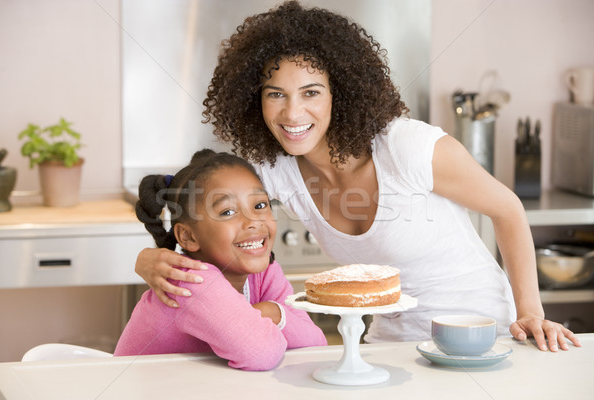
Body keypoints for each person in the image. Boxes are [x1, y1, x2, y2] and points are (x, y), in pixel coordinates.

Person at [135, 1, 580, 351]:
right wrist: (149, 257)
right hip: (389, 341)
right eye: (276, 95)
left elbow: (508, 209)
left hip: (481, 331)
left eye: (311, 92)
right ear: (256, 101)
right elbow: (198, 192)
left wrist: (530, 311)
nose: (292, 113)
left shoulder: (406, 147)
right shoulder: (277, 169)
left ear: (339, 94)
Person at [115, 149, 327, 371]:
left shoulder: (264, 273)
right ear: (188, 236)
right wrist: (269, 320)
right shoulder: (190, 281)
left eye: (260, 205)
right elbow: (263, 353)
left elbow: (315, 344)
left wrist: (272, 312)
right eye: (227, 212)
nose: (253, 221)